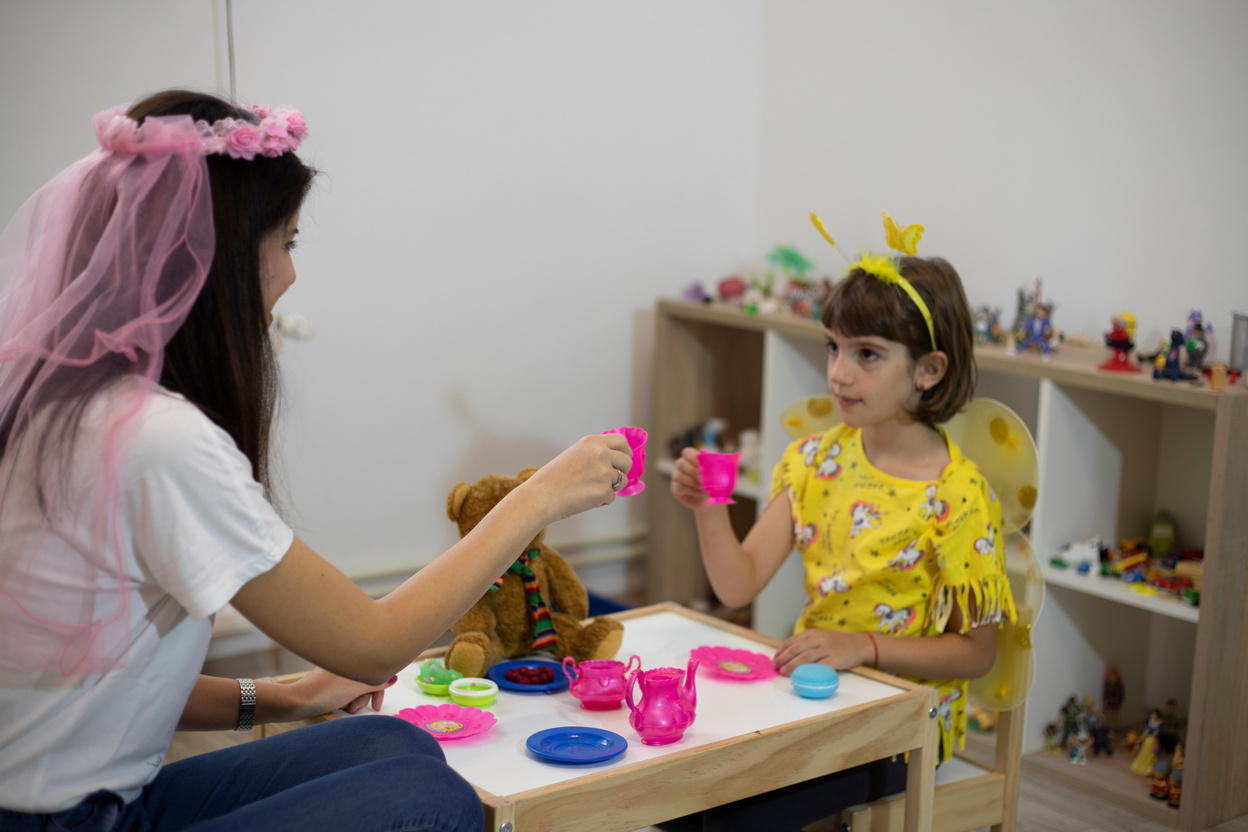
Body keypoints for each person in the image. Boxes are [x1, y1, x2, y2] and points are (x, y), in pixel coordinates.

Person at [0, 90, 633, 831]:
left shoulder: (64, 404)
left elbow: (109, 675)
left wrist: (284, 696)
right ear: (222, 262)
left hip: (94, 799)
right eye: (287, 242)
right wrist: (538, 498)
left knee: (391, 744)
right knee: (433, 801)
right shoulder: (156, 440)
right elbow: (373, 646)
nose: (291, 274)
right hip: (64, 822)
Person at [665, 252, 1016, 831]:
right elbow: (736, 584)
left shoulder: (959, 494)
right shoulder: (814, 459)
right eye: (833, 347)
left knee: (726, 813)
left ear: (928, 370)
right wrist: (708, 508)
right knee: (681, 783)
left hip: (908, 727)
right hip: (815, 700)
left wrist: (862, 645)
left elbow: (976, 654)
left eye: (867, 354)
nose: (839, 373)